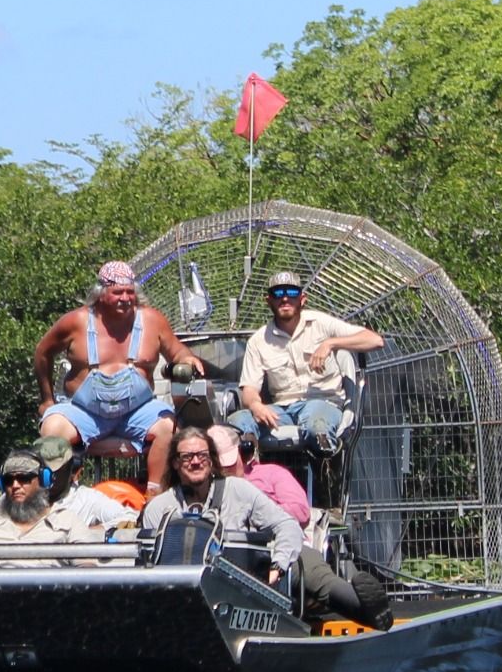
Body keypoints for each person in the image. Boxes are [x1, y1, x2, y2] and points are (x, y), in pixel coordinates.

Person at [138, 432, 386, 627]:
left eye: (202, 456)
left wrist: (277, 563)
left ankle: (365, 608)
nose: (195, 462)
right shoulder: (159, 507)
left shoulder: (247, 485)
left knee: (306, 564)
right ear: (175, 463)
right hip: (190, 588)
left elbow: (292, 519)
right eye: (187, 457)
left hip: (254, 572)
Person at [34, 261, 205, 486]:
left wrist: (186, 358)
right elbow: (42, 353)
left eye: (129, 292)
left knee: (168, 427)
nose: (125, 298)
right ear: (101, 294)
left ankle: (155, 496)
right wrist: (47, 399)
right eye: (117, 292)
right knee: (52, 429)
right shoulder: (77, 321)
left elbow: (176, 349)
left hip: (137, 412)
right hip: (84, 412)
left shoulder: (152, 320)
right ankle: (57, 495)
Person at [231, 271, 384, 455]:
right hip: (282, 410)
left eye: (292, 293)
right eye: (278, 293)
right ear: (268, 301)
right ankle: (252, 475)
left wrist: (330, 343)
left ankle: (327, 474)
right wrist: (256, 407)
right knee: (237, 423)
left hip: (323, 403)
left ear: (302, 299)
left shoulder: (321, 323)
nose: (285, 298)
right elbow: (249, 390)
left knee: (316, 427)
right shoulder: (258, 341)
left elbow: (375, 340)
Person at [0, 449, 138, 545]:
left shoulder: (66, 520)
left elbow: (86, 566)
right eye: (9, 480)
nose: (15, 485)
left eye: (24, 478)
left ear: (43, 481)